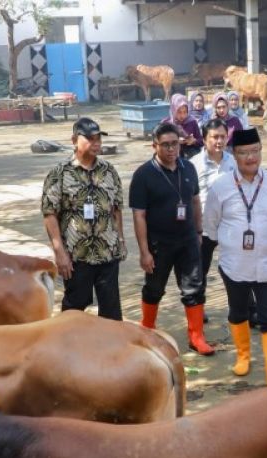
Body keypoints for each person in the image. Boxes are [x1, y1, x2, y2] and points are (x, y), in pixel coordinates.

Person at [203, 127, 267, 384]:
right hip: (234, 266)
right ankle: (243, 356)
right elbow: (211, 224)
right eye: (243, 152)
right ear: (234, 154)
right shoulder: (220, 187)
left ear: (261, 151)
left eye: (255, 151)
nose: (250, 157)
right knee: (238, 311)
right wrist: (232, 243)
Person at [130, 122, 215, 355]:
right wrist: (144, 251)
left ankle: (196, 337)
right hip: (159, 243)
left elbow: (196, 201)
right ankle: (147, 330)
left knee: (194, 288)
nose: (171, 149)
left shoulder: (189, 168)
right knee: (154, 288)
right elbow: (139, 215)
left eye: (175, 144)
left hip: (187, 239)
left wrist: (198, 231)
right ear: (154, 146)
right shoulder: (143, 175)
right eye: (165, 145)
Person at [41, 118, 126, 320]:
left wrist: (120, 240)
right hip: (77, 256)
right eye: (90, 138)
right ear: (74, 140)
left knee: (111, 311)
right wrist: (59, 252)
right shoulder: (60, 173)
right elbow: (49, 214)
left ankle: (110, 350)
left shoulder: (109, 171)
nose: (96, 143)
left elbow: (116, 209)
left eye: (98, 138)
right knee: (74, 309)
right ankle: (69, 348)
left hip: (107, 252)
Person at [191, 118, 237, 315]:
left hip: (230, 224)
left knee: (237, 267)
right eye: (214, 137)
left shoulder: (232, 162)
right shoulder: (193, 165)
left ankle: (244, 309)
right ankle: (197, 310)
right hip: (204, 225)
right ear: (204, 139)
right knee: (200, 270)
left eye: (223, 137)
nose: (219, 141)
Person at [168, 93, 204, 159]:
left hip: (191, 158)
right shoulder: (168, 124)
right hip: (173, 159)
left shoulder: (192, 122)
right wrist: (175, 141)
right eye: (179, 112)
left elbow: (201, 141)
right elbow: (161, 143)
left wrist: (194, 141)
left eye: (185, 112)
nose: (182, 115)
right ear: (173, 110)